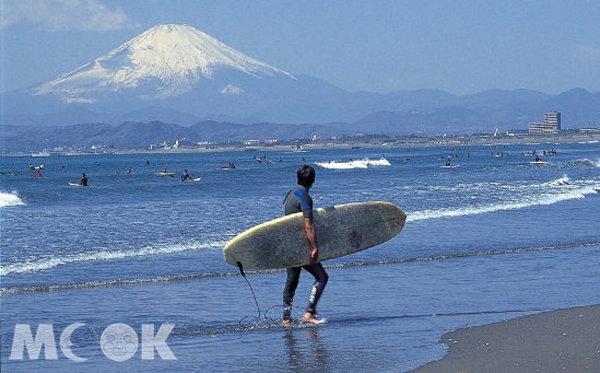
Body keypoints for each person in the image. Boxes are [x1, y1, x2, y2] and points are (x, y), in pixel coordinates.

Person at [282, 165, 329, 326]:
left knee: (292, 280)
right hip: (301, 247)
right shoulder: (304, 197)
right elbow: (308, 226)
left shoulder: (290, 195)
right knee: (322, 277)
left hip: (289, 246)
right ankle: (310, 312)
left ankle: (286, 319)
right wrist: (314, 247)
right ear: (313, 181)